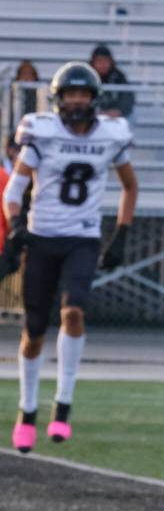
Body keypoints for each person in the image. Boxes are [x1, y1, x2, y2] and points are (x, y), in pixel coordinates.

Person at [4, 62, 137, 454]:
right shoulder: (41, 133)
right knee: (33, 332)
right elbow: (14, 189)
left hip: (82, 237)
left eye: (83, 94)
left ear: (94, 99)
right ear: (58, 99)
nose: (77, 101)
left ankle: (62, 406)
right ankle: (27, 410)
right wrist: (14, 227)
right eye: (71, 94)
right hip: (42, 237)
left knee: (74, 312)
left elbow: (130, 185)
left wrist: (122, 233)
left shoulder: (111, 135)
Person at [89, 45, 136, 121]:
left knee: (132, 117)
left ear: (111, 62)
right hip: (91, 115)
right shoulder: (87, 76)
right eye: (99, 61)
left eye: (105, 61)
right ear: (93, 62)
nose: (102, 65)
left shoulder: (118, 76)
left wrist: (119, 111)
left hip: (114, 115)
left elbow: (128, 97)